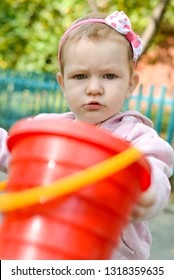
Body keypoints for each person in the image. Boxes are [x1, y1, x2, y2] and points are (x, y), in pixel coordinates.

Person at [0, 10, 174, 260]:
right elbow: (14, 151)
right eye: (80, 76)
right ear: (63, 83)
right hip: (47, 252)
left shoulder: (137, 137)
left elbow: (156, 171)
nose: (94, 88)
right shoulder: (48, 133)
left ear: (130, 84)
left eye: (109, 76)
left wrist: (146, 191)